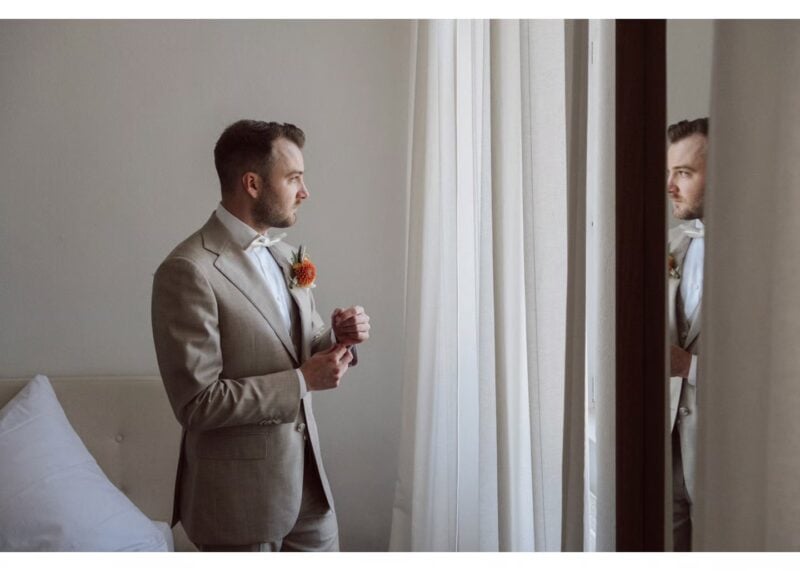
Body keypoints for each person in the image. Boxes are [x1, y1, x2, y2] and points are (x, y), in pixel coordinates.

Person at [151, 120, 370, 551]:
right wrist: (303, 382)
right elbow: (197, 403)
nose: (305, 192)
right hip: (238, 507)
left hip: (310, 491)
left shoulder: (288, 256)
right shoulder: (187, 270)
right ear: (251, 184)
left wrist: (338, 337)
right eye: (293, 179)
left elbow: (300, 347)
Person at [666, 117, 707, 551]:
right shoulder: (675, 245)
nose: (670, 186)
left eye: (684, 173)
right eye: (669, 173)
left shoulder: (764, 255)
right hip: (668, 452)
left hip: (726, 458)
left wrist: (688, 366)